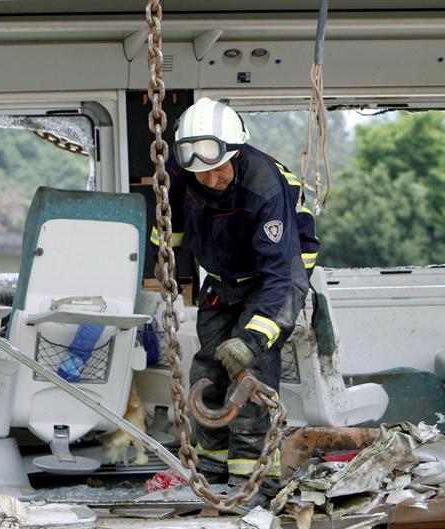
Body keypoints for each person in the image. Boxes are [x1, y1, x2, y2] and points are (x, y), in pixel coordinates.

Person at [149, 97, 319, 505]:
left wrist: (254, 339)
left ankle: (255, 482)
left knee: (249, 376)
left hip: (274, 278)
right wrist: (164, 258)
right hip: (223, 279)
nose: (210, 180)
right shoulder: (182, 171)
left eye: (218, 170)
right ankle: (211, 470)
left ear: (236, 152)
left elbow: (283, 279)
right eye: (201, 173)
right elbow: (169, 221)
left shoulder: (265, 186)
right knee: (207, 369)